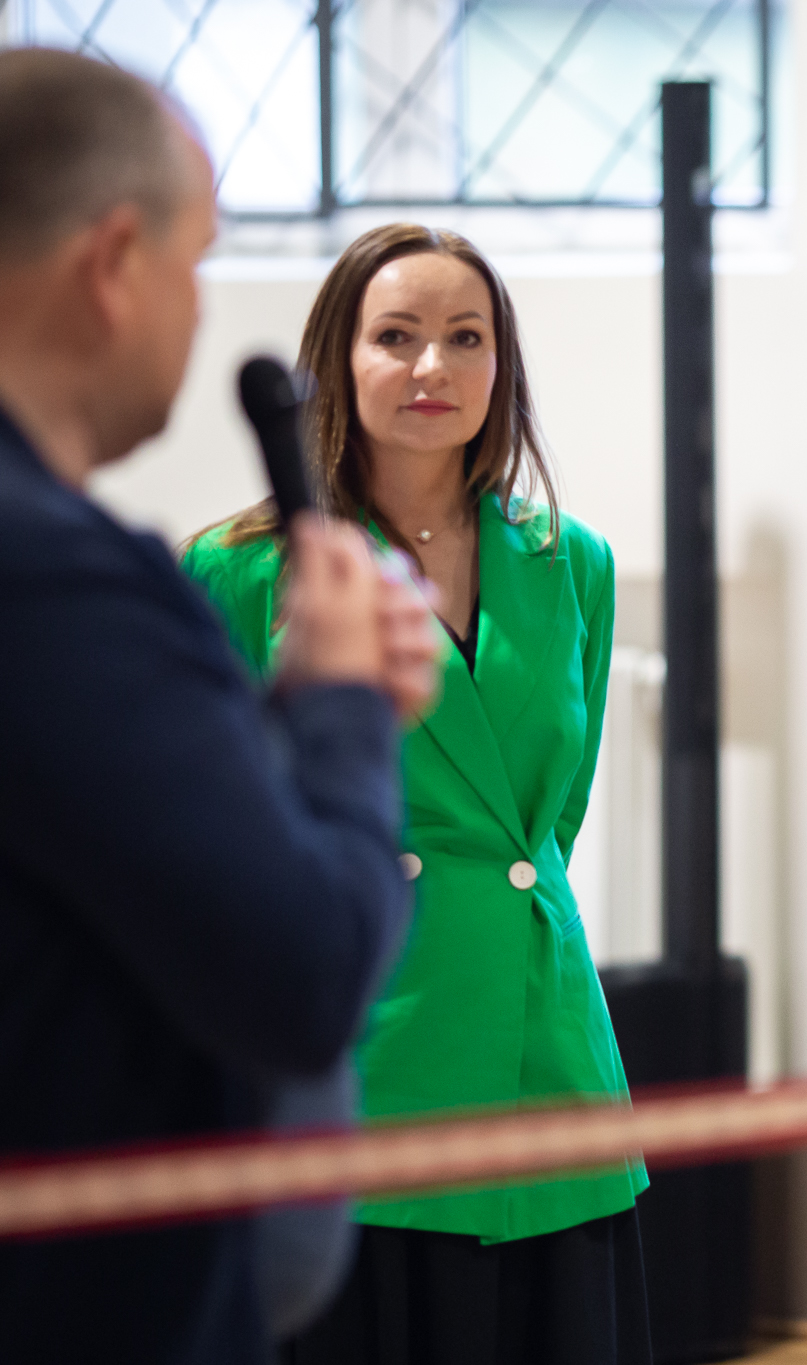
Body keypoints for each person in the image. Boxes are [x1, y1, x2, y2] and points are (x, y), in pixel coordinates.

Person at [0, 49, 441, 1365]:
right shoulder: (60, 581)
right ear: (111, 263)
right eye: (193, 263)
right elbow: (301, 972)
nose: (197, 314)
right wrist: (345, 709)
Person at [183, 221, 650, 1365]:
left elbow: (549, 818)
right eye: (395, 336)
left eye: (465, 337)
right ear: (337, 360)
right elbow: (217, 835)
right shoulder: (239, 571)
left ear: (502, 365)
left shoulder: (571, 561)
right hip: (361, 1049)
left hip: (547, 1055)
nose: (432, 366)